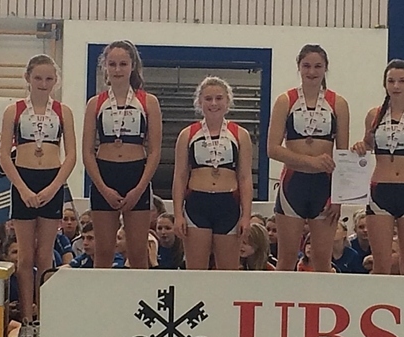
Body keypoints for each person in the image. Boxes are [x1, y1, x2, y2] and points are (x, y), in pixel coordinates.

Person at [0, 54, 77, 337]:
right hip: (23, 181)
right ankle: (27, 321)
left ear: (55, 81)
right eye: (38, 78)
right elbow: (4, 156)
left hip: (51, 181)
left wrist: (55, 187)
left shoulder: (63, 112)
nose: (43, 84)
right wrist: (22, 189)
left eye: (49, 79)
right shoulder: (14, 111)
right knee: (25, 256)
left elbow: (71, 155)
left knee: (45, 255)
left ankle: (44, 319)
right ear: (28, 79)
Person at [268, 44, 349, 273]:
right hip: (293, 184)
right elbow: (272, 149)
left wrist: (339, 198)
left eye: (317, 66)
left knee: (322, 259)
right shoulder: (285, 100)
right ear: (299, 67)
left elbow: (343, 154)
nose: (312, 72)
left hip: (324, 185)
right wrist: (309, 161)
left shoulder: (338, 103)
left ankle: (322, 297)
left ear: (325, 68)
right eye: (306, 66)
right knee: (286, 258)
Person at [82, 40, 162, 269]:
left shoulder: (148, 102)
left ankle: (139, 293)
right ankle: (103, 294)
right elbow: (87, 151)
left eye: (123, 64)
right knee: (103, 252)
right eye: (112, 64)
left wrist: (139, 188)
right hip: (105, 174)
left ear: (132, 66)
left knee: (137, 252)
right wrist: (102, 188)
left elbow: (155, 151)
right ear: (105, 67)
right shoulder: (95, 103)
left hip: (136, 174)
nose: (117, 69)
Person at [352, 59, 404, 275]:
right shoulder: (374, 115)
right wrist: (361, 146)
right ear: (385, 84)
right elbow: (368, 144)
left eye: (402, 81)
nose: (396, 86)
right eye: (391, 81)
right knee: (382, 265)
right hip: (380, 191)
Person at [172, 76, 253, 270]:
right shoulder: (187, 134)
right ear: (200, 102)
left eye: (219, 98)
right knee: (196, 271)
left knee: (228, 272)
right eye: (208, 99)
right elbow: (180, 176)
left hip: (228, 204)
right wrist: (177, 214)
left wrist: (246, 216)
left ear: (227, 101)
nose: (214, 103)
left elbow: (245, 177)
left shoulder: (240, 134)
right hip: (197, 204)